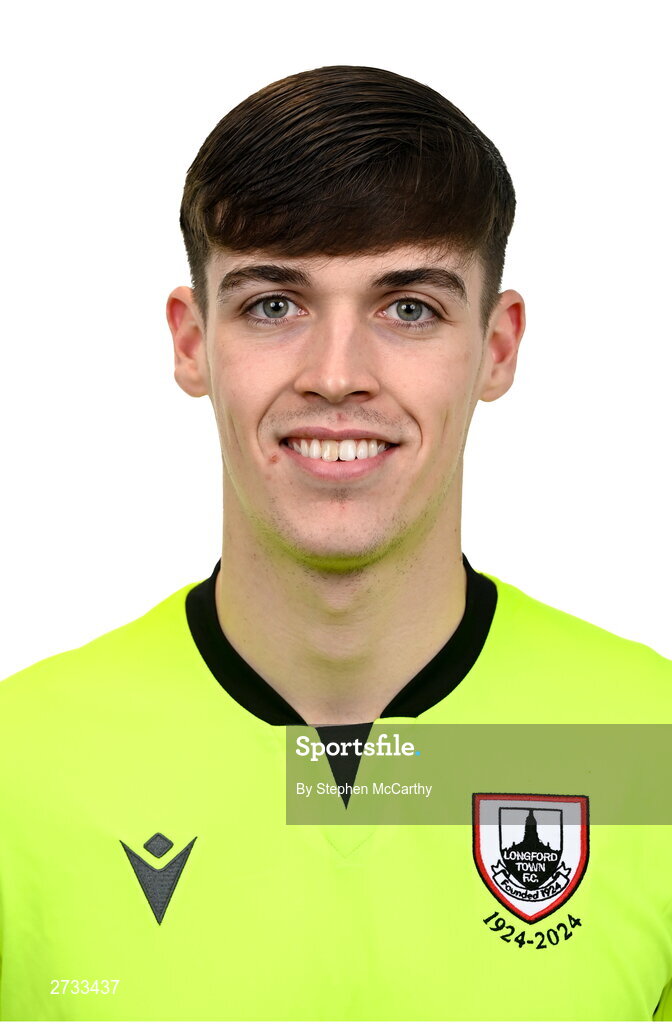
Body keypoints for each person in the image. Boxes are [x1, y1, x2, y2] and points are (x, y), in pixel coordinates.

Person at [0, 64, 670, 1023]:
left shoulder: (651, 746)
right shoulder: (18, 762)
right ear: (192, 343)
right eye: (275, 304)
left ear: (497, 347)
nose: (337, 375)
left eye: (410, 308)